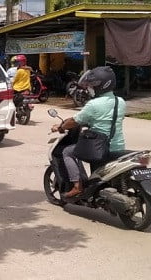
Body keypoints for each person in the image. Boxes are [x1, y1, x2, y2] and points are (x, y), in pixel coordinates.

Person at [51, 66, 126, 198]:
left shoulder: (93, 105)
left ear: (102, 85)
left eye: (93, 85)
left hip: (99, 148)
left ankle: (77, 186)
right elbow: (105, 119)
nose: (90, 88)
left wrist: (61, 127)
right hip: (118, 146)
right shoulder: (120, 102)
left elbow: (74, 121)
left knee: (67, 152)